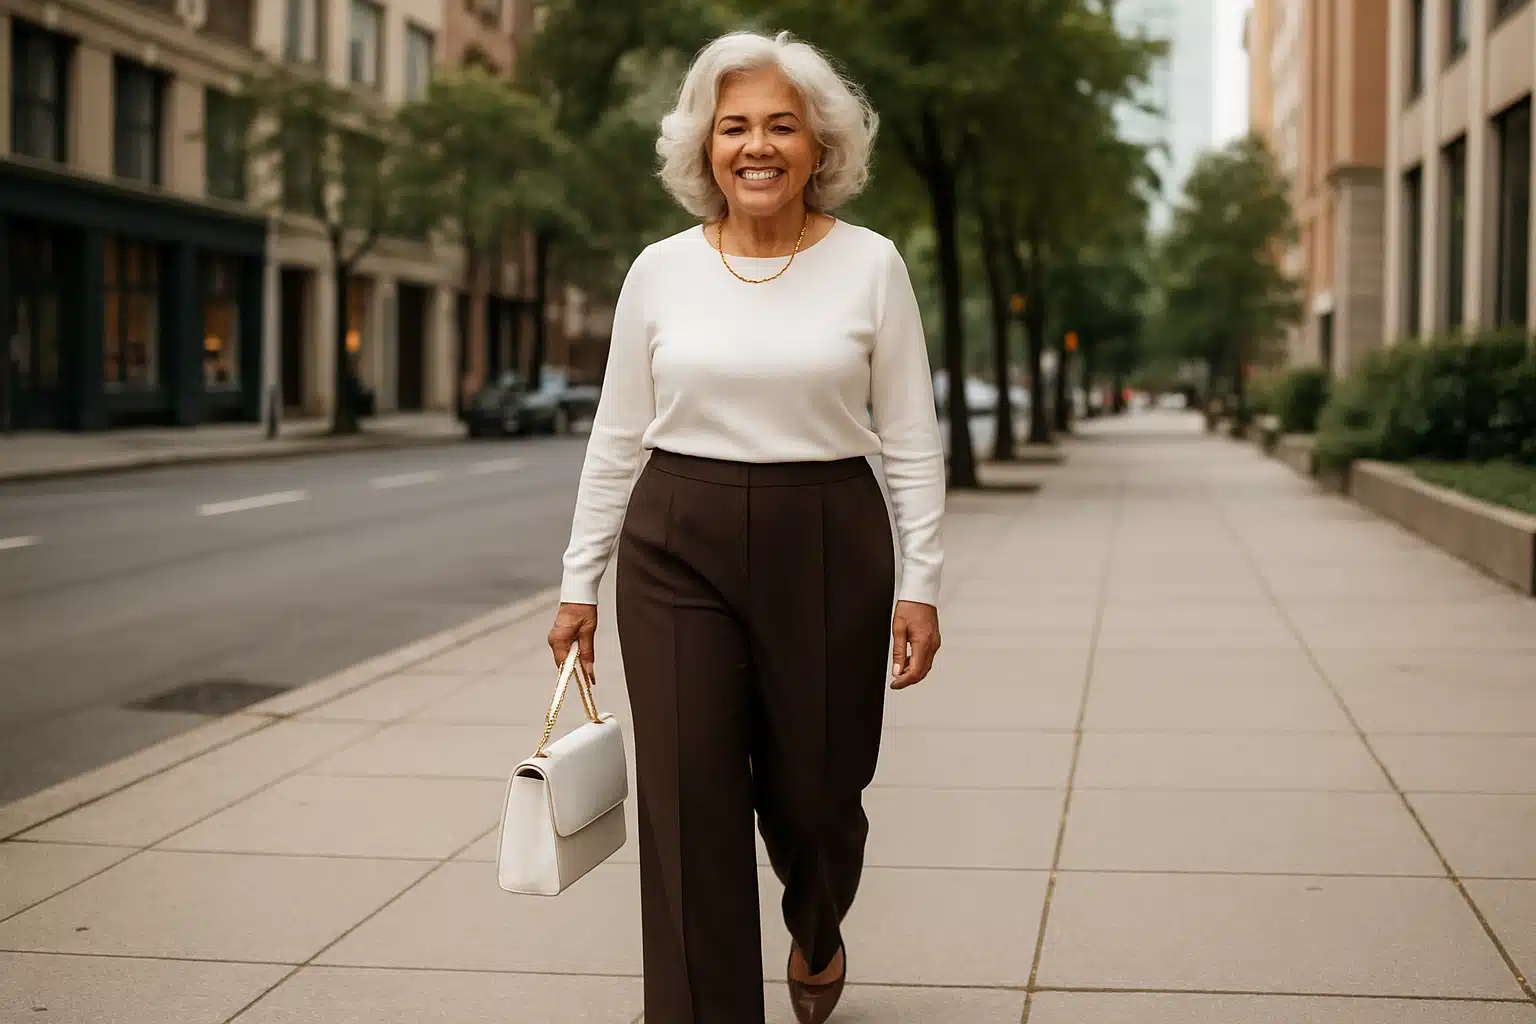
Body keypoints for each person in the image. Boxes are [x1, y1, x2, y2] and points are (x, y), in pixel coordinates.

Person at [548, 29, 945, 1024]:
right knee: (689, 804)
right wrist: (578, 582)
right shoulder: (658, 271)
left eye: (781, 126)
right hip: (676, 543)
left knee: (818, 798)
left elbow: (910, 438)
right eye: (734, 127)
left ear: (820, 146)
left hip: (829, 538)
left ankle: (817, 923)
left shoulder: (872, 264)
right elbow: (616, 437)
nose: (756, 146)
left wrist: (922, 583)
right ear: (704, 145)